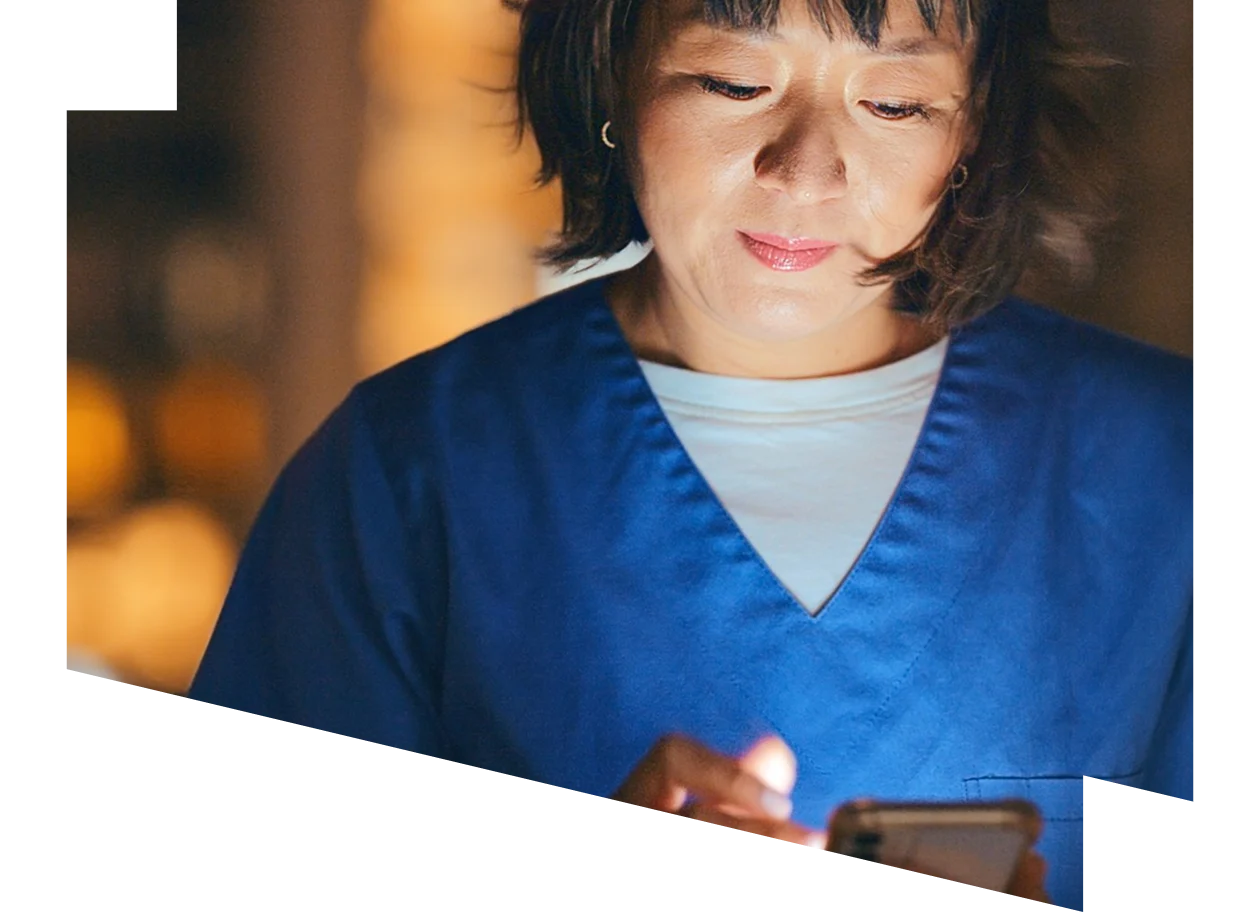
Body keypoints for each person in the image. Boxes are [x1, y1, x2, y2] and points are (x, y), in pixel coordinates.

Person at [187, 1, 1195, 907]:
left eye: (895, 104)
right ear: (612, 69)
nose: (807, 171)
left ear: (973, 131)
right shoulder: (412, 473)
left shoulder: (1162, 468)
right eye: (734, 83)